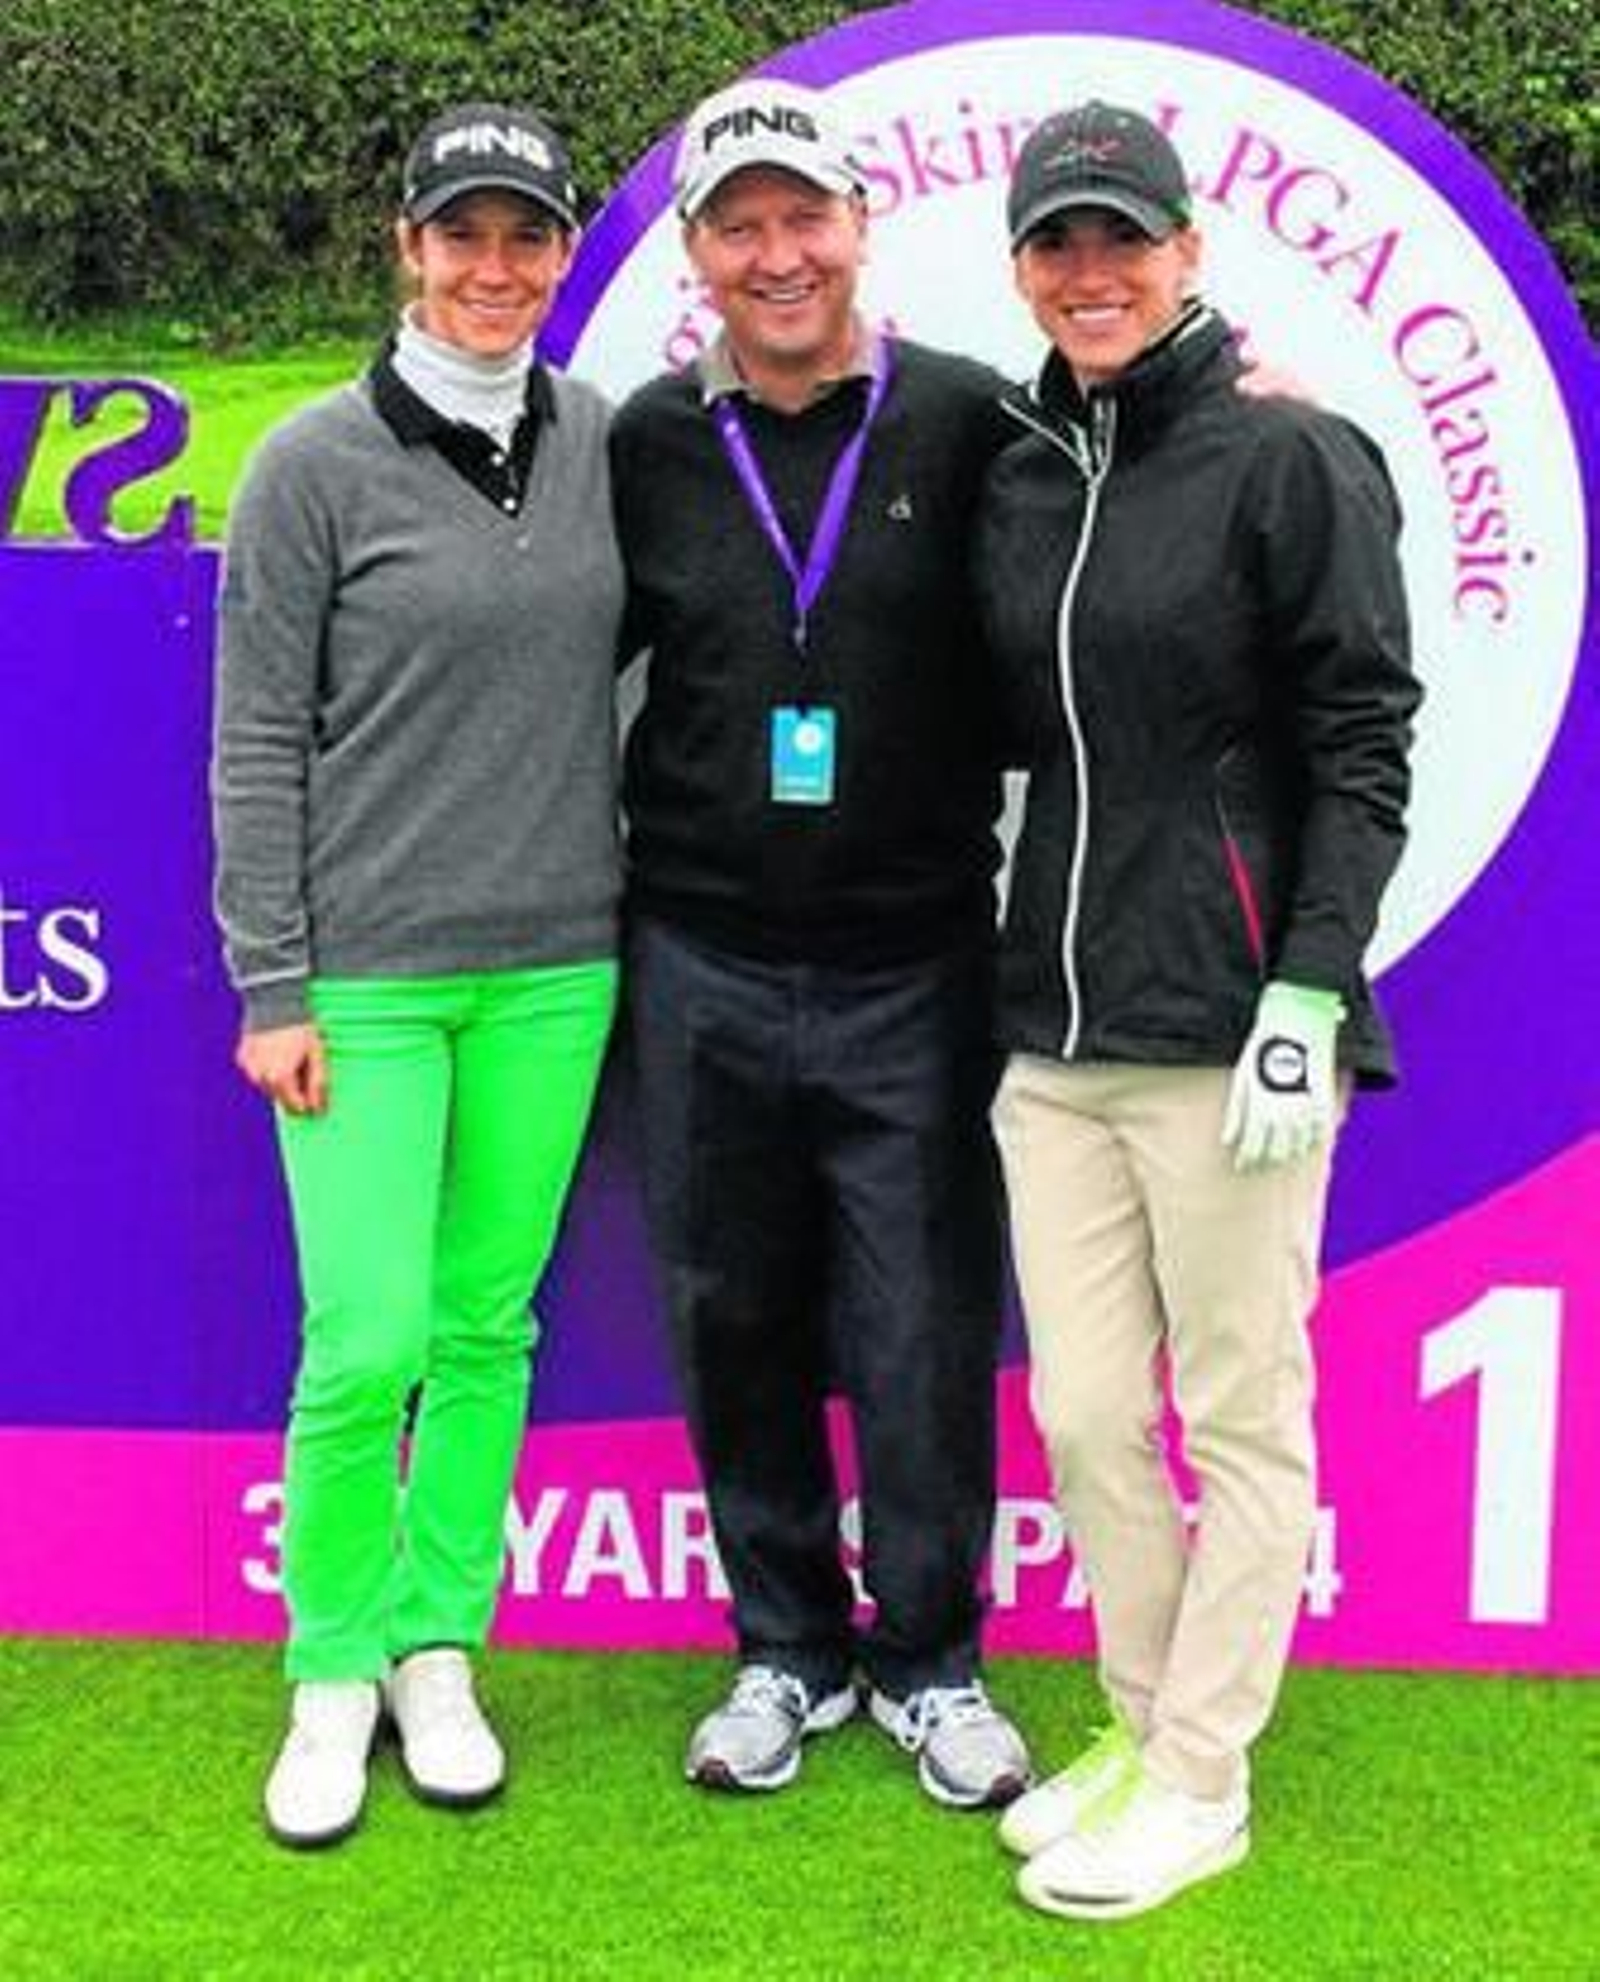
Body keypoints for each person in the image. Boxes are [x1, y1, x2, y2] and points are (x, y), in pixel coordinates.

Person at [977, 103, 1420, 1917]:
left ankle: (1204, 1773)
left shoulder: (1291, 460)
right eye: (1059, 246)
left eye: (1123, 241)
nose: (1093, 275)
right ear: (1022, 268)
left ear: (1188, 253)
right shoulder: (1018, 468)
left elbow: (1364, 744)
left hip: (1232, 1032)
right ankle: (1142, 1719)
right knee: (1088, 1420)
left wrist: (1309, 980)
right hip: (1052, 1042)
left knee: (1242, 1411)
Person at [608, 77, 1033, 1809]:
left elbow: (1151, 499)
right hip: (698, 951)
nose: (776, 256)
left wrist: (1271, 404)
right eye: (739, 227)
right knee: (734, 1313)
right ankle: (786, 1646)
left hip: (915, 960)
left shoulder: (974, 421)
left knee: (925, 1321)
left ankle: (931, 1661)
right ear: (700, 256)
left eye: (804, 217)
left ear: (860, 223)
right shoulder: (640, 438)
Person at [212, 102, 623, 1849]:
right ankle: (330, 1664)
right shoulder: (310, 463)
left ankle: (437, 1642)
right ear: (407, 248)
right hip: (366, 977)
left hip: (559, 964)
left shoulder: (609, 436)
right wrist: (273, 980)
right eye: (464, 235)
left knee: (483, 1327)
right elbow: (254, 741)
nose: (496, 269)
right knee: (362, 1336)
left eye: (527, 237)